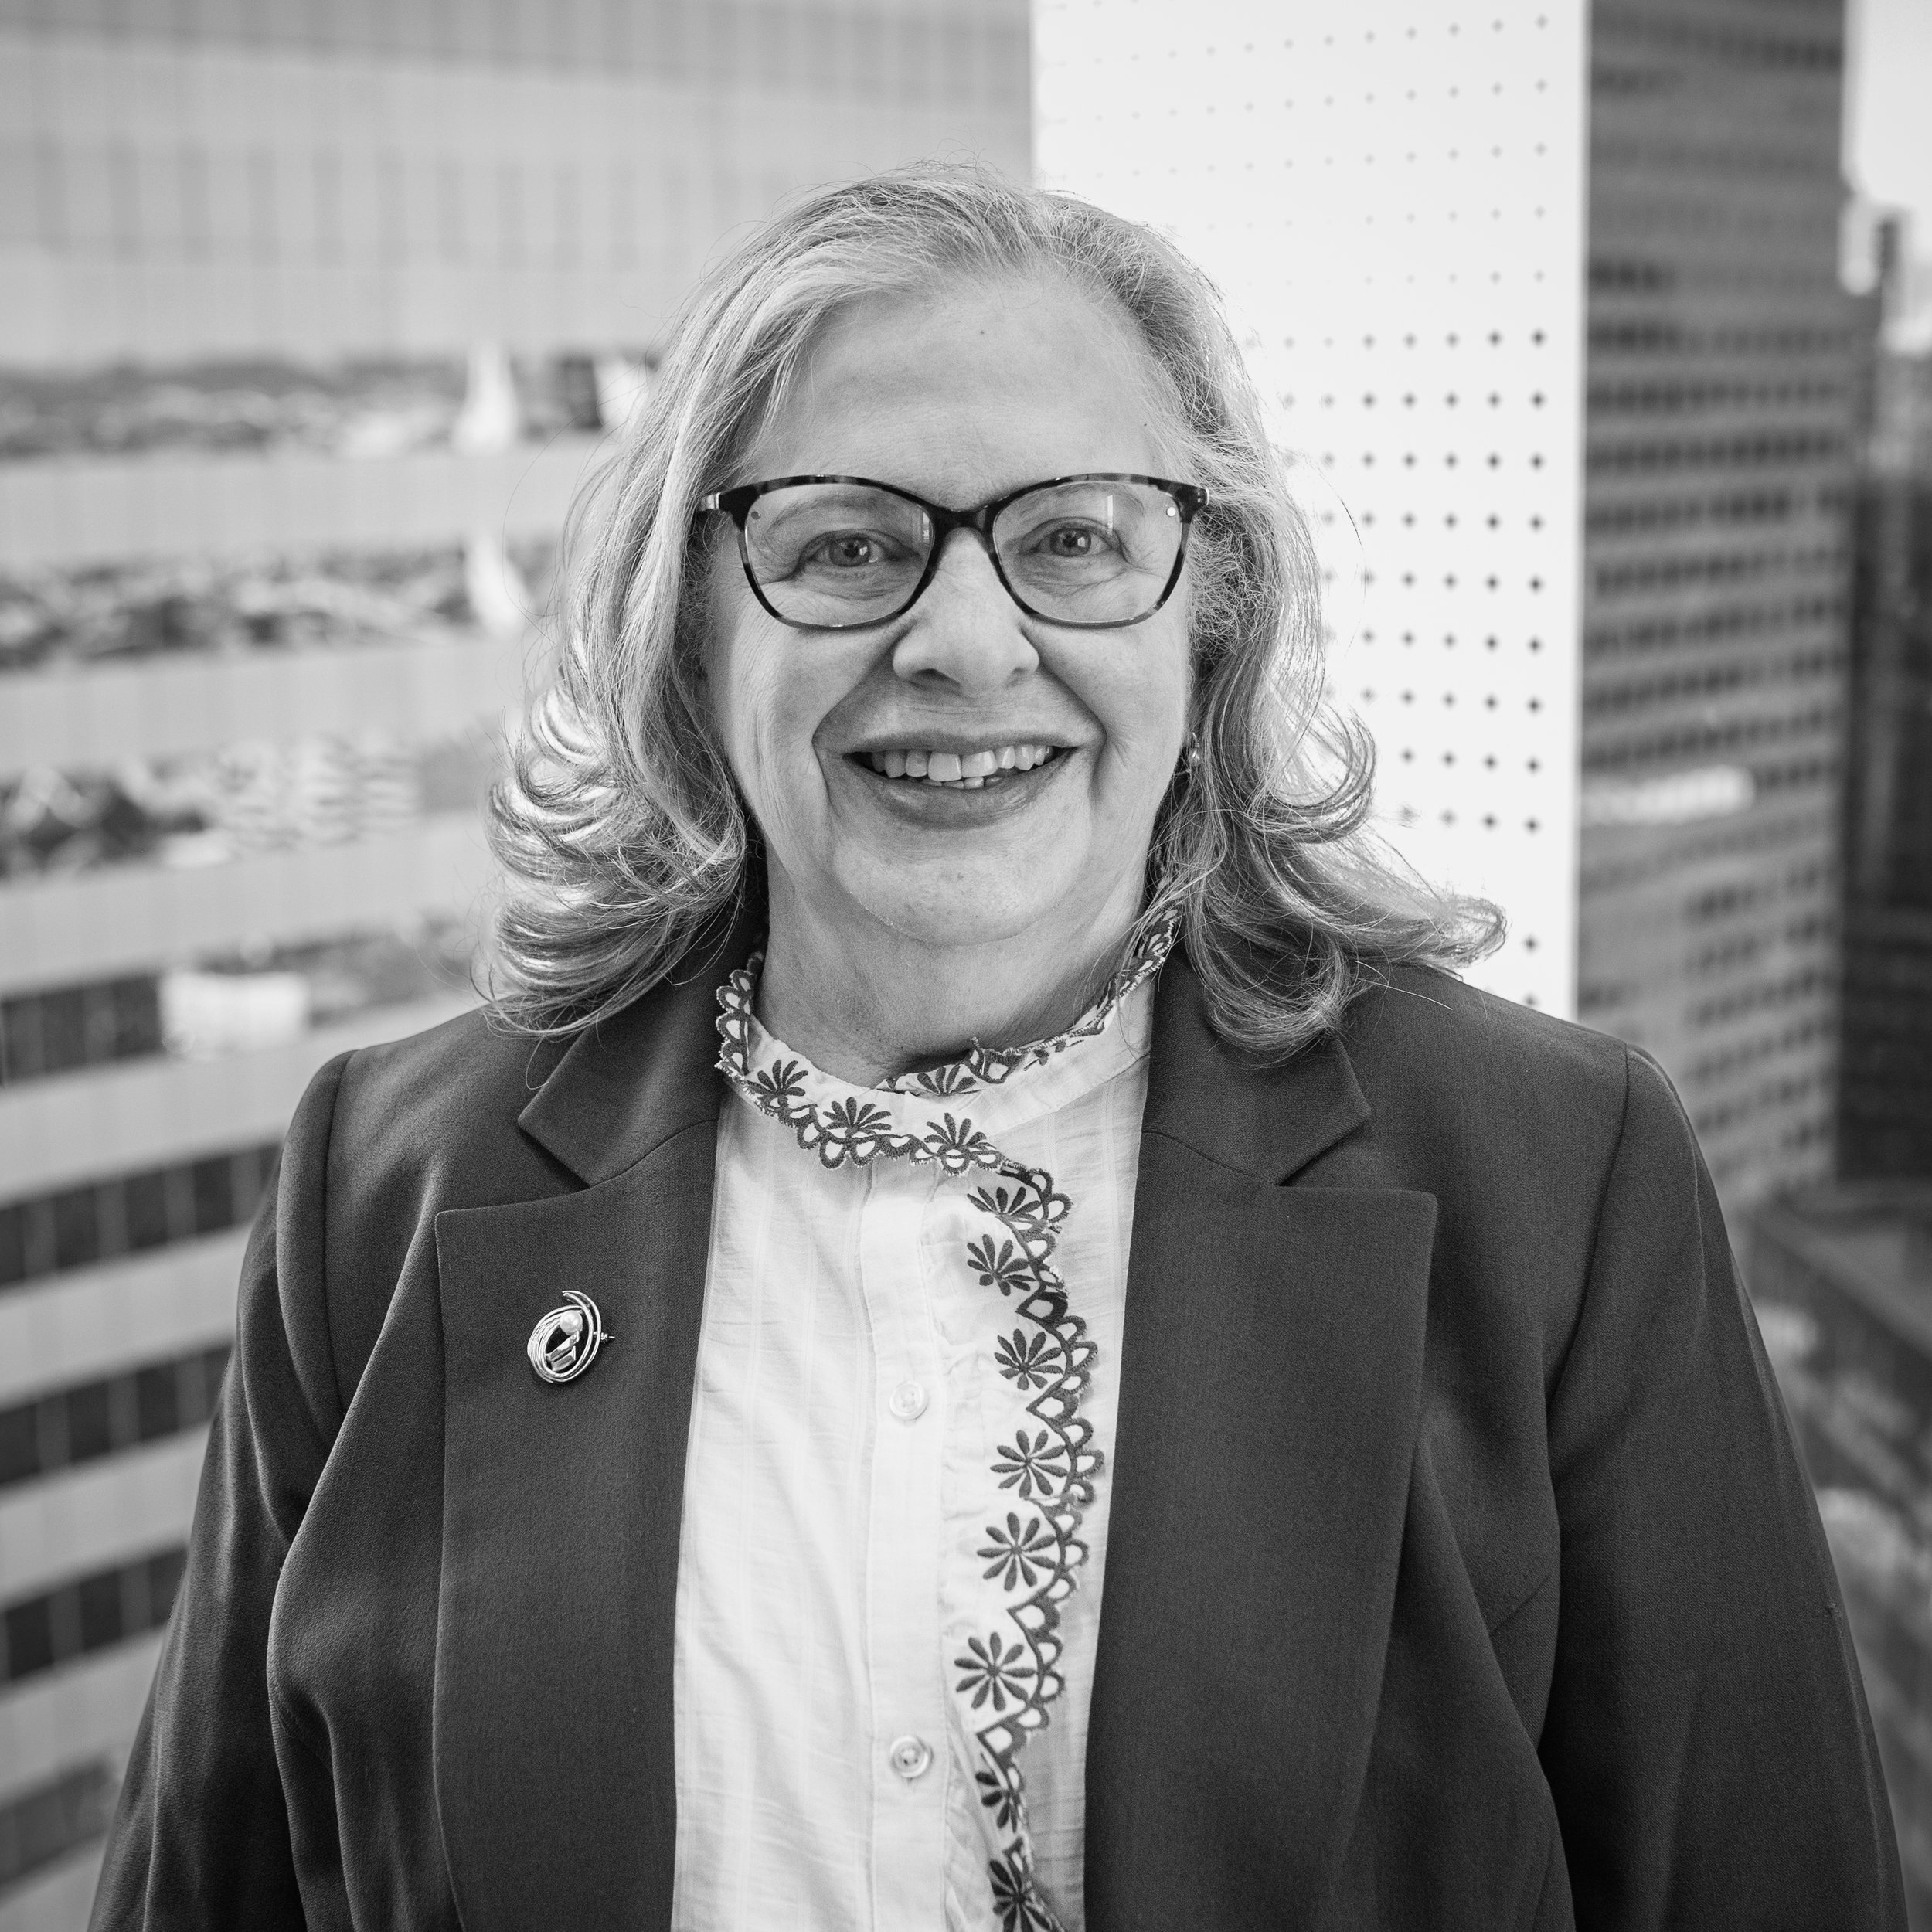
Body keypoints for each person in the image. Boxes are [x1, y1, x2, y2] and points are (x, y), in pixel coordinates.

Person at [92, 167, 1903, 1932]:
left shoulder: (1553, 1176)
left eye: (1071, 539)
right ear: (693, 622)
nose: (963, 642)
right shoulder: (385, 1188)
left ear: (1206, 615)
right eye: (844, 543)